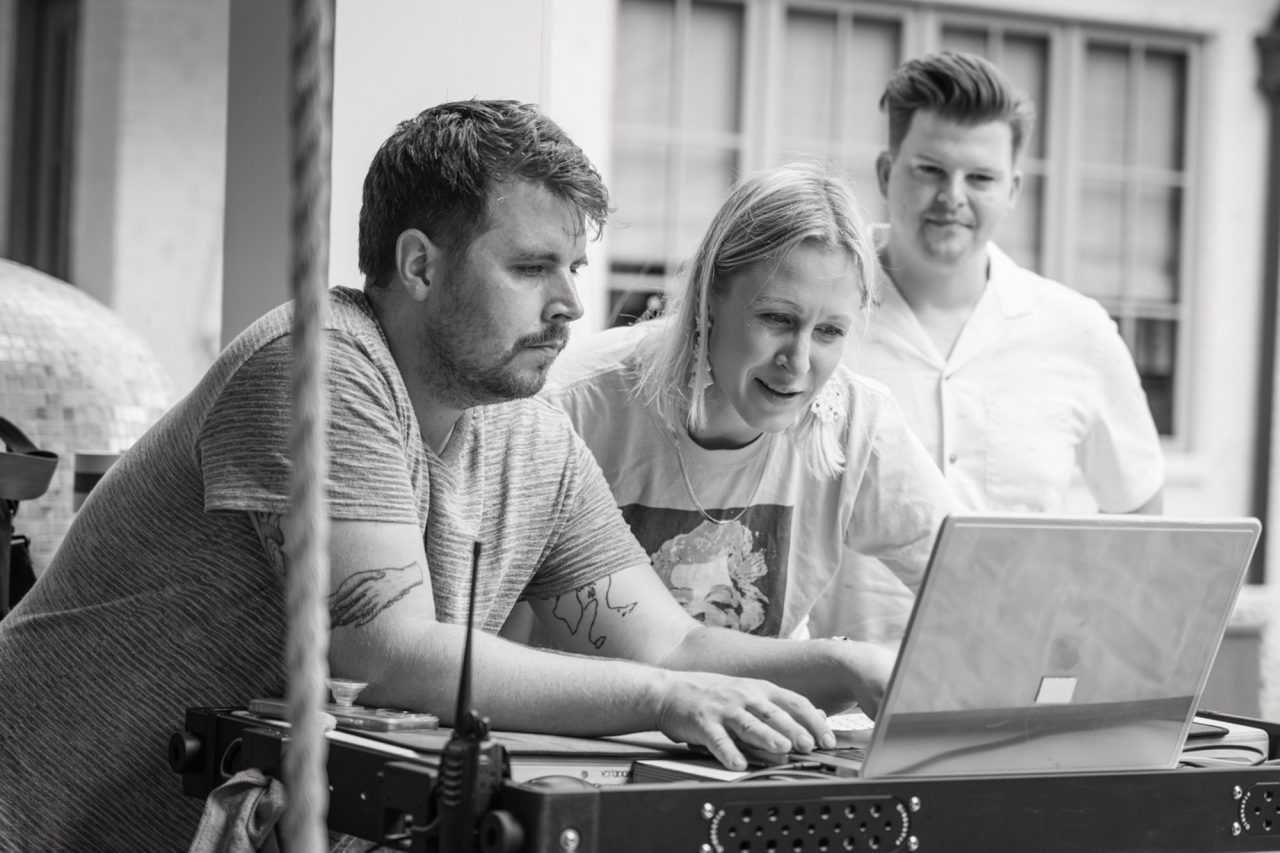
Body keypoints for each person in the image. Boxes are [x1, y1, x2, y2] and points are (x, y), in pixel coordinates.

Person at [0, 100, 897, 851]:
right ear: (420, 264)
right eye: (531, 266)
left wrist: (846, 666)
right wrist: (665, 698)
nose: (571, 302)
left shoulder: (528, 432)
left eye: (573, 266)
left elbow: (675, 645)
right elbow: (384, 656)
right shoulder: (318, 363)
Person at [809, 52, 1165, 642]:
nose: (953, 196)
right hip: (831, 710)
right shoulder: (816, 314)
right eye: (929, 169)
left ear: (1013, 189)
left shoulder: (1079, 332)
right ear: (885, 172)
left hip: (1017, 694)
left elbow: (1137, 514)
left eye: (980, 177)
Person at [537, 161, 958, 642]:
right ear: (710, 295)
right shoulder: (572, 404)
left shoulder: (858, 421)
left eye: (828, 332)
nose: (798, 363)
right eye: (777, 318)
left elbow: (983, 583)